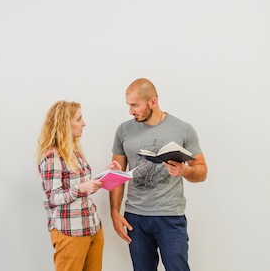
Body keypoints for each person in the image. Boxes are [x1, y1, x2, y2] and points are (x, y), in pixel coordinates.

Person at [109, 78, 208, 271]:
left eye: (135, 105)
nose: (131, 111)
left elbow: (202, 171)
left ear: (152, 102)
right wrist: (114, 212)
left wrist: (185, 170)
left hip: (170, 216)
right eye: (129, 105)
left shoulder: (183, 129)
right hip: (135, 218)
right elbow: (117, 174)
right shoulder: (123, 130)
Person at [37, 100, 121, 271]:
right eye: (79, 119)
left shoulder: (75, 153)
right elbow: (53, 197)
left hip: (92, 228)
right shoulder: (52, 156)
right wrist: (81, 189)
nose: (84, 124)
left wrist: (106, 174)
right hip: (70, 233)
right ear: (64, 124)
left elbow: (80, 184)